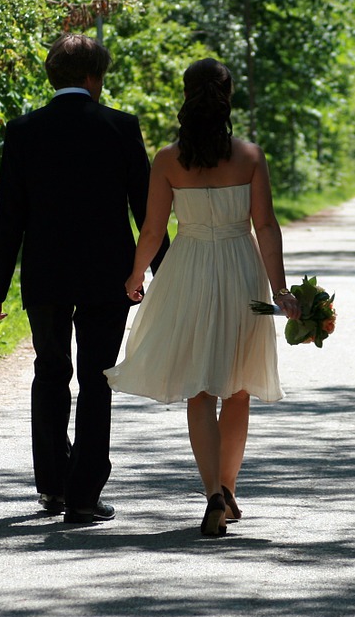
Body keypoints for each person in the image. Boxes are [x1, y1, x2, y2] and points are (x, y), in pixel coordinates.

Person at [104, 58, 299, 537]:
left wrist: (135, 276)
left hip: (188, 266)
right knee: (237, 387)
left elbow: (152, 229)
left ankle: (211, 490)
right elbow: (266, 226)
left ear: (186, 97)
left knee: (200, 388)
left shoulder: (168, 160)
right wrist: (280, 288)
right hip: (239, 267)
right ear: (227, 97)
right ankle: (229, 490)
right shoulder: (250, 156)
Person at [0, 33, 167, 525]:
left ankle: (51, 488)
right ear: (93, 78)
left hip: (45, 273)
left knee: (49, 373)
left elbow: (10, 216)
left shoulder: (23, 131)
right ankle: (84, 495)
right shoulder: (120, 127)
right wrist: (164, 273)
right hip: (106, 274)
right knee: (96, 380)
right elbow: (146, 212)